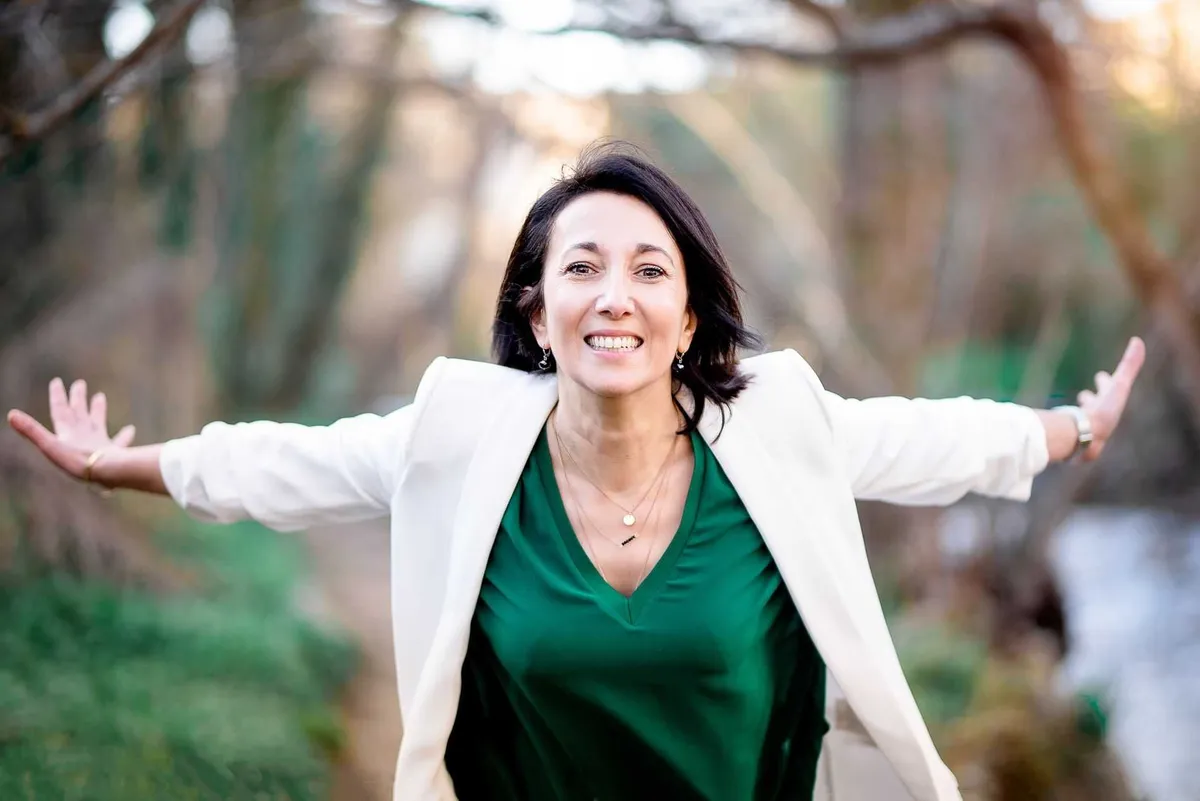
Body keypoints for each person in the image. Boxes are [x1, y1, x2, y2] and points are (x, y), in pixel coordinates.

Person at [7, 143, 1145, 801]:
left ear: (689, 315)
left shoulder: (776, 424)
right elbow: (291, 461)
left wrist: (1069, 430)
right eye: (583, 267)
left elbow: (925, 441)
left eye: (651, 269)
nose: (616, 294)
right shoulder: (463, 433)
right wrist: (122, 469)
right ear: (537, 311)